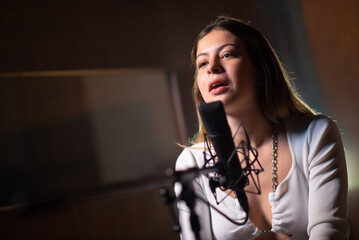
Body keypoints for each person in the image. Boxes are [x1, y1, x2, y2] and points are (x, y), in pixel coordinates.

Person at [174, 15, 350, 240]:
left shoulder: (315, 135)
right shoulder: (191, 164)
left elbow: (329, 231)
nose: (212, 68)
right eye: (202, 63)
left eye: (227, 54)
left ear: (260, 69)